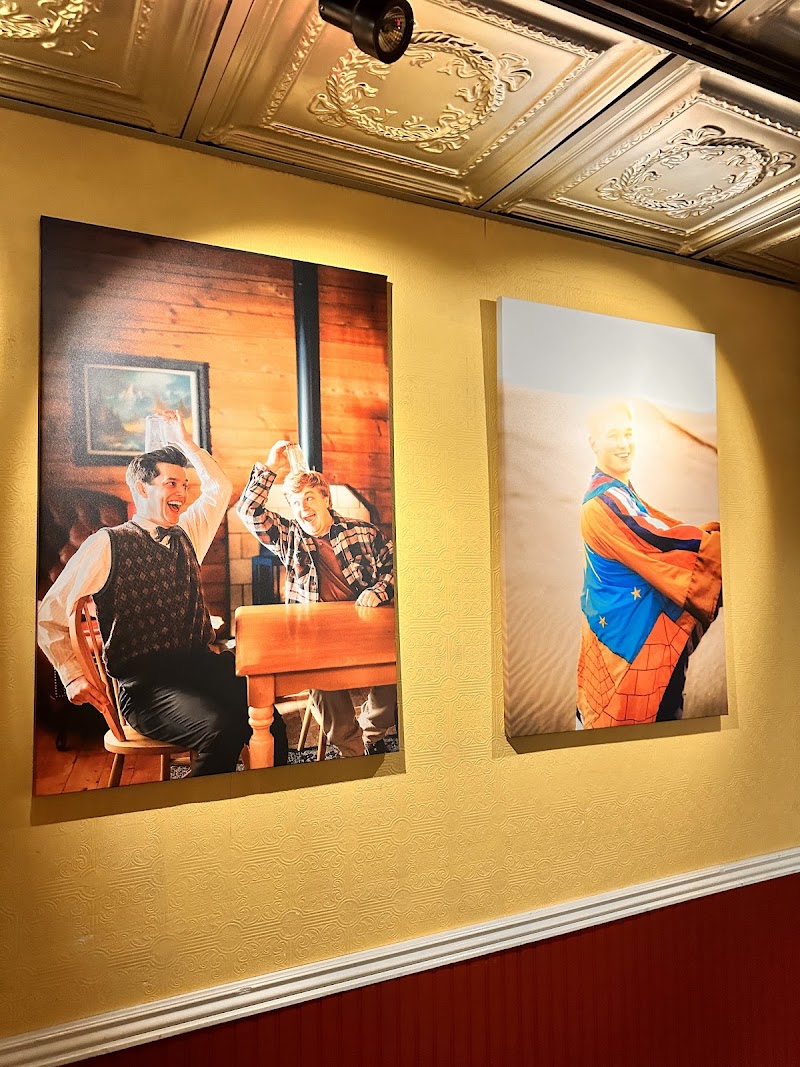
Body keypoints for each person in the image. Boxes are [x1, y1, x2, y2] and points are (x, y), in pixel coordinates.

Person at [38, 411, 287, 776]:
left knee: (271, 722)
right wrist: (72, 674)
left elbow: (219, 489)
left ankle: (274, 799)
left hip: (203, 668)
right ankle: (202, 811)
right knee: (221, 729)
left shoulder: (188, 532)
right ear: (142, 489)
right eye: (171, 484)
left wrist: (186, 443)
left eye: (185, 485)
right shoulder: (106, 544)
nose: (182, 494)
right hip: (147, 689)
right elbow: (50, 614)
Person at [236, 440, 396, 757]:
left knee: (398, 671)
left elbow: (396, 568)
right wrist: (270, 465)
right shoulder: (288, 536)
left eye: (309, 498)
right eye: (295, 503)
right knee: (321, 683)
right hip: (315, 638)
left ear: (326, 499)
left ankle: (372, 730)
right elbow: (248, 511)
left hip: (364, 632)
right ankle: (353, 754)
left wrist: (378, 590)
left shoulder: (363, 532)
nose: (303, 508)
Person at [576, 400, 723, 729]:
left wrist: (707, 536)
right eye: (613, 435)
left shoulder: (619, 492)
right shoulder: (603, 502)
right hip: (632, 646)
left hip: (635, 637)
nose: (624, 443)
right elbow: (660, 543)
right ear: (593, 442)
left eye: (629, 433)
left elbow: (659, 531)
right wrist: (723, 546)